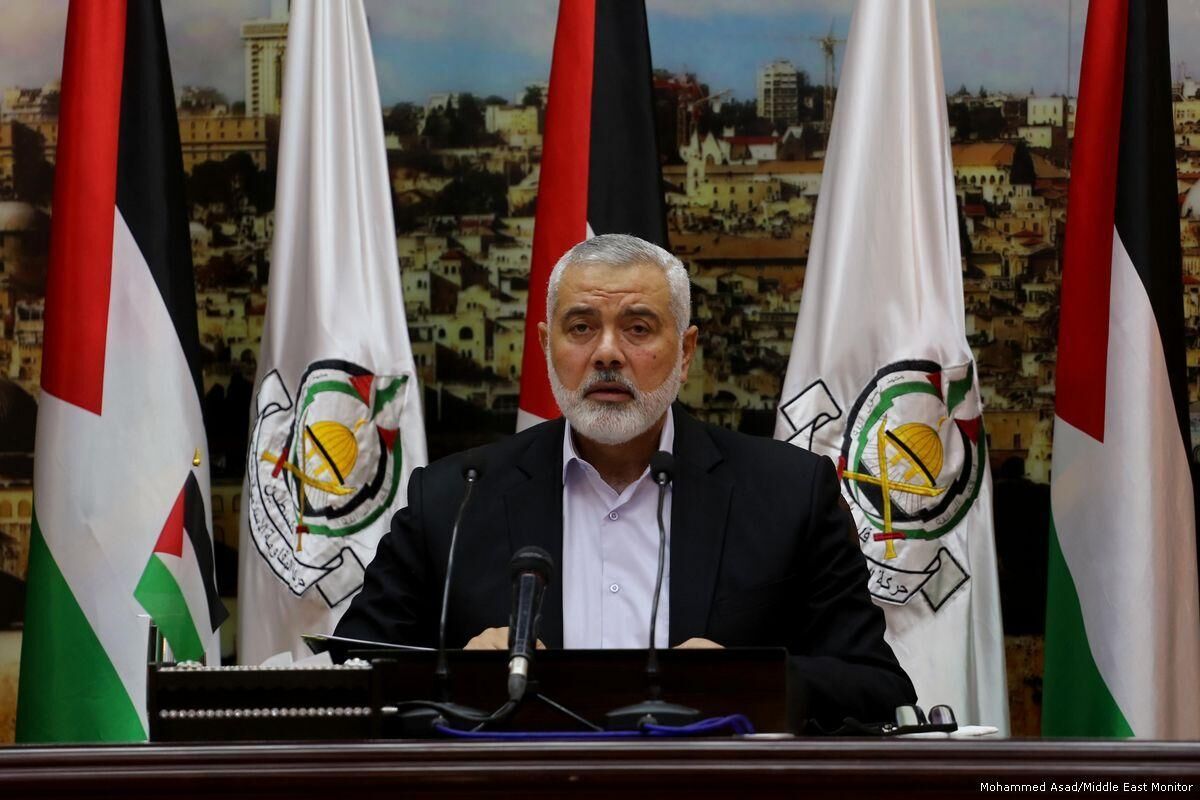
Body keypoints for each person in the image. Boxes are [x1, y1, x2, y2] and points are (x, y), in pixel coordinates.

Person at [336, 234, 915, 727]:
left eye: (638, 328)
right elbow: (348, 674)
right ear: (545, 347)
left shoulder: (789, 493)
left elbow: (876, 686)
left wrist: (748, 680)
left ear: (685, 352)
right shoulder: (452, 499)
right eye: (581, 327)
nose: (607, 353)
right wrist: (458, 674)